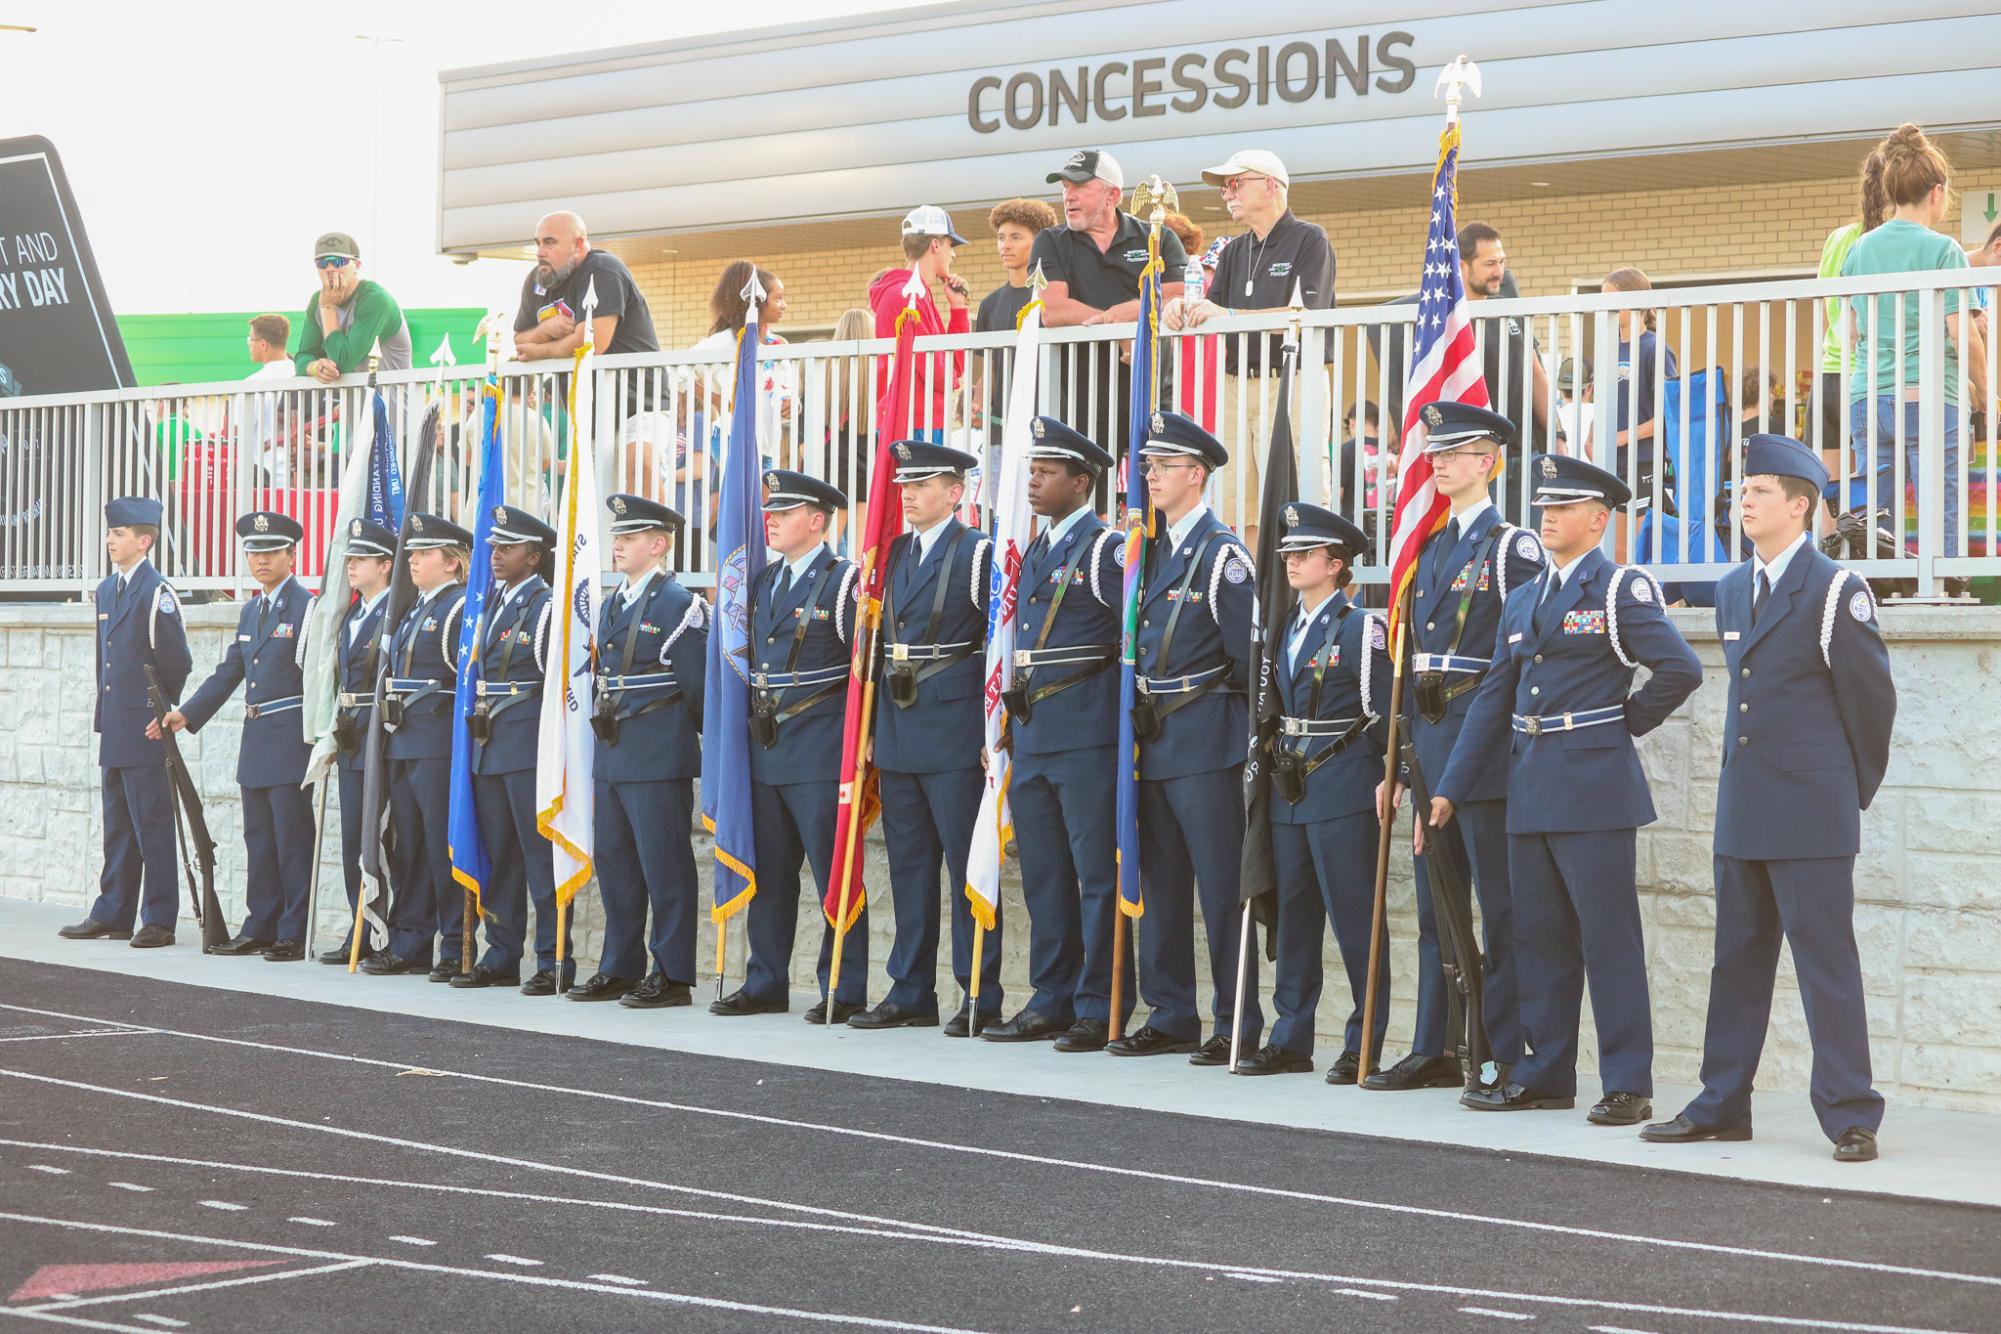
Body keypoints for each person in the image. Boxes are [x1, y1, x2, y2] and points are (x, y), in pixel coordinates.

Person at [1642, 436, 1896, 1164]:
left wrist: (1845, 793)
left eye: (1757, 490)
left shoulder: (1834, 587)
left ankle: (1850, 1113)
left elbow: (1869, 704)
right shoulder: (1729, 586)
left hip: (1811, 808)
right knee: (1736, 961)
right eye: (1741, 489)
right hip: (1745, 805)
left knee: (1825, 964)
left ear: (1799, 505)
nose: (1742, 499)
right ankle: (1722, 1102)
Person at [1432, 453, 1702, 1122]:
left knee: (1607, 939)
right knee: (1537, 939)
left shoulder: (1617, 590)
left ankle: (1627, 1084)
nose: (1547, 514)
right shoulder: (1523, 598)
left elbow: (1679, 669)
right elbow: (1493, 699)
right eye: (1543, 505)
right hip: (1528, 784)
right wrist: (1450, 788)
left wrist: (1618, 726)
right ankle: (1545, 1072)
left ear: (1597, 519)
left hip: (1591, 785)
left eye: (1562, 505)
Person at [1369, 403, 1545, 1093]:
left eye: (1456, 451)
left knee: (1500, 910)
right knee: (1437, 907)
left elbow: (1524, 658)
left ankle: (1502, 1050)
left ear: (1488, 461)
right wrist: (1400, 766)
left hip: (1489, 748)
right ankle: (1435, 1046)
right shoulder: (1431, 545)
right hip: (1434, 742)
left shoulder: (1511, 548)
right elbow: (1410, 663)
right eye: (1434, 452)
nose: (1438, 462)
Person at [1106, 412, 1260, 1064]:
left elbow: (1250, 662)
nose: (1151, 477)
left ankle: (1235, 1019)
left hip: (1206, 739)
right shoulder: (1148, 550)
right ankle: (1171, 1012)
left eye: (1163, 467)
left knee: (1221, 890)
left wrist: (1254, 754)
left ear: (1195, 475)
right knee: (1160, 885)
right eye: (1147, 467)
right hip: (1153, 740)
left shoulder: (1221, 556)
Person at [982, 418, 1130, 1051]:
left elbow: (1132, 642)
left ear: (1082, 481)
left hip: (1087, 733)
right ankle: (1052, 995)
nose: (1034, 482)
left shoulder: (1104, 548)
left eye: (1047, 473)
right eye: (1031, 471)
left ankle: (1099, 1003)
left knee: (1096, 875)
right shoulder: (1033, 546)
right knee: (1044, 874)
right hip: (1035, 733)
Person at [849, 442, 999, 1036]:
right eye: (904, 483)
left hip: (956, 728)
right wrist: (871, 732)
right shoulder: (892, 554)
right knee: (909, 869)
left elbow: (997, 648)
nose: (906, 492)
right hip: (901, 727)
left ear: (955, 492)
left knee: (968, 868)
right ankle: (911, 988)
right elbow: (879, 648)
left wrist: (994, 730)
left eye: (922, 483)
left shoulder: (977, 553)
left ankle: (978, 993)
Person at [1237, 503, 1391, 1078]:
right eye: (1287, 554)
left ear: (1336, 564)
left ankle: (1364, 1039)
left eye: (1303, 554)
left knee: (1355, 920)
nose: (1291, 562)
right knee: (1294, 918)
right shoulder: (1285, 627)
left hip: (1344, 784)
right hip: (1290, 787)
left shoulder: (1361, 627)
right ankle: (1291, 1034)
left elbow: (1382, 715)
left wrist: (1391, 777)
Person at [711, 471, 870, 1022]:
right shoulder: (762, 583)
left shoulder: (845, 581)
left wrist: (860, 744)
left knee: (834, 873)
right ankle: (766, 979)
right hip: (767, 748)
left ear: (818, 521)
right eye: (770, 511)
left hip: (821, 749)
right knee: (770, 875)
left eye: (785, 512)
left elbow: (861, 672)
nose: (771, 520)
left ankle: (843, 986)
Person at [153, 511, 318, 961]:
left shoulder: (308, 609)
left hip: (290, 738)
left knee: (292, 839)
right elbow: (231, 671)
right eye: (253, 552)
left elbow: (321, 677)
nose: (260, 561)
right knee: (259, 838)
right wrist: (185, 713)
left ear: (292, 555)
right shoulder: (252, 609)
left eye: (270, 552)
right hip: (257, 736)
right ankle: (261, 925)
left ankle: (293, 931)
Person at [1840, 123, 1989, 578]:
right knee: (1937, 500)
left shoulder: (1859, 251)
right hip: (1929, 395)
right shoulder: (1944, 251)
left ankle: (1874, 593)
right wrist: (1985, 391)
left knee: (1876, 515)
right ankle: (1937, 587)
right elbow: (1963, 333)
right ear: (1936, 191)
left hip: (1869, 393)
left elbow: (1850, 335)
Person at [1169, 149, 1338, 546]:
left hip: (1292, 381)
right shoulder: (1232, 250)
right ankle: (1254, 594)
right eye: (1224, 186)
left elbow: (1305, 312)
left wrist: (1227, 314)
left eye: (1235, 183)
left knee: (1300, 493)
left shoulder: (1309, 239)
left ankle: (1301, 591)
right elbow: (1213, 310)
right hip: (1237, 383)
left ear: (1269, 185)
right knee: (1240, 498)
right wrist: (1181, 308)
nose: (1227, 193)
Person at [586, 494, 708, 1006]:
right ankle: (620, 963)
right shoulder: (616, 600)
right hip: (615, 752)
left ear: (658, 545)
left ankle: (673, 972)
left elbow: (698, 691)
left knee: (665, 866)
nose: (618, 543)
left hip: (657, 754)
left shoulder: (679, 604)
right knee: (615, 864)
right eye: (618, 535)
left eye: (631, 537)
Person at [61, 498, 193, 948]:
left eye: (118, 534)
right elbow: (106, 662)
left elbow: (177, 662)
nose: (110, 541)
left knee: (151, 823)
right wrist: (105, 716)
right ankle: (114, 911)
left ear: (145, 540)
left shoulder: (158, 593)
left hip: (145, 726)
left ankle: (159, 918)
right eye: (110, 533)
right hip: (117, 725)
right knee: (118, 822)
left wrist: (162, 714)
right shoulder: (107, 590)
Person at [455, 507, 566, 992]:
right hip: (489, 743)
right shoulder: (487, 602)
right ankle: (502, 953)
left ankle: (552, 958)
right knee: (499, 855)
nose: (495, 555)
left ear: (535, 556)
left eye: (508, 547)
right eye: (494, 546)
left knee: (539, 856)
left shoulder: (544, 607)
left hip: (526, 746)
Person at [363, 512, 471, 980]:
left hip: (435, 741)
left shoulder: (458, 607)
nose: (413, 560)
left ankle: (453, 945)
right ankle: (411, 940)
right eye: (412, 553)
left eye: (424, 553)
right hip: (404, 741)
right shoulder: (417, 607)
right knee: (408, 847)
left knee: (440, 848)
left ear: (452, 563)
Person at [1030, 149, 1188, 452]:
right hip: (1080, 402)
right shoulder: (1050, 241)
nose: (1068, 196)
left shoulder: (1158, 236)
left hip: (1151, 394)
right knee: (1091, 496)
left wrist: (1134, 314)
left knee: (1160, 492)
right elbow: (1052, 310)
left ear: (1112, 195)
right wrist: (1119, 328)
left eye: (1079, 186)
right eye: (1065, 187)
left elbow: (1178, 296)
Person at [321, 517, 396, 964]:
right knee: (354, 839)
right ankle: (360, 926)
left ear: (386, 565)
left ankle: (387, 930)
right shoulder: (353, 611)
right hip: (352, 735)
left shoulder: (394, 612)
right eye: (350, 557)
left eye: (361, 558)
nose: (351, 565)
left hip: (379, 737)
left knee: (383, 838)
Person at [1811, 151, 1888, 469]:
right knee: (1873, 484)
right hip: (1874, 376)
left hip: (1831, 373)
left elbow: (1826, 309)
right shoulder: (1890, 242)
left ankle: (1830, 524)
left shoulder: (1839, 238)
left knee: (1829, 485)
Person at [869, 206, 971, 438]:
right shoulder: (910, 294)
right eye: (950, 245)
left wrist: (958, 309)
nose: (952, 254)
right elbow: (941, 376)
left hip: (916, 418)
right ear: (936, 245)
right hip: (913, 421)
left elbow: (953, 367)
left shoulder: (916, 292)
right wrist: (952, 380)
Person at [1459, 223, 1558, 454]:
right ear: (1463, 266)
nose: (1499, 272)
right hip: (1474, 456)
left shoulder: (1512, 310)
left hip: (1524, 454)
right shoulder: (1449, 322)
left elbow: (1535, 373)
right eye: (1490, 264)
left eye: (1501, 262)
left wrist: (1557, 436)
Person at [1601, 268, 1678, 558]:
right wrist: (1594, 435)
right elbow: (1607, 401)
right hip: (1614, 464)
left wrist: (1625, 436)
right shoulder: (1608, 348)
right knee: (1617, 551)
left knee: (1641, 549)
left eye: (1612, 299)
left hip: (1644, 463)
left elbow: (1669, 414)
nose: (1605, 306)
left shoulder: (1655, 349)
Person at [512, 211, 659, 363]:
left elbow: (590, 344)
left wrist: (539, 351)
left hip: (628, 384)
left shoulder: (602, 269)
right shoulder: (536, 279)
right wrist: (546, 329)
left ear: (577, 245)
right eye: (538, 243)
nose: (540, 252)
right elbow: (520, 340)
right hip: (578, 385)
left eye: (550, 243)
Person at [292, 232, 411, 382]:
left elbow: (343, 363)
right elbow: (303, 357)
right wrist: (317, 367)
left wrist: (328, 307)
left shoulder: (375, 299)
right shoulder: (317, 300)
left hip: (388, 402)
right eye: (321, 263)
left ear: (357, 265)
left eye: (338, 261)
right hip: (351, 404)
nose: (329, 268)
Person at [976, 199, 1058, 336]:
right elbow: (984, 357)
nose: (1005, 245)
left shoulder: (1055, 299)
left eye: (1016, 237)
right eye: (1001, 238)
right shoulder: (989, 305)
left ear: (1039, 241)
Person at [245, 314, 297, 488]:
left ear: (263, 344)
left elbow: (238, 433)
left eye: (250, 339)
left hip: (264, 477)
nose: (249, 345)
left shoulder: (252, 383)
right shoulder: (302, 375)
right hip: (304, 476)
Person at [1554, 359, 1594, 461]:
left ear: (1560, 388)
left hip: (1561, 475)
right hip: (1594, 475)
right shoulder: (1603, 414)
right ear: (1590, 387)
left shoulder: (1551, 418)